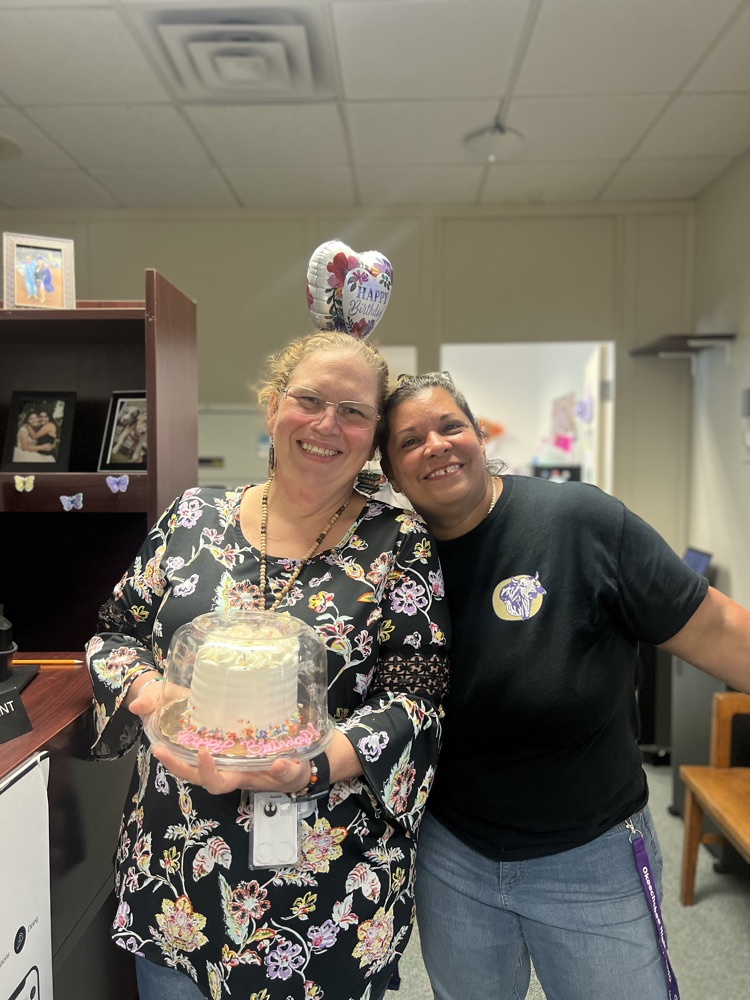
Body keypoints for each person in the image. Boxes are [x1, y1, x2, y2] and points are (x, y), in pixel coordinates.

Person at [85, 332, 451, 1000]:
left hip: (328, 892)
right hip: (178, 872)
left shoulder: (398, 544)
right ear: (273, 405)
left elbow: (418, 697)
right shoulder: (192, 517)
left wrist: (311, 764)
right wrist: (152, 696)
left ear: (373, 438)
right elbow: (116, 635)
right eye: (309, 400)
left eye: (353, 412)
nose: (326, 425)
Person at [379, 371, 750, 1000]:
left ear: (478, 436)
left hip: (592, 855)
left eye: (450, 427)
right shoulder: (392, 561)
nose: (436, 446)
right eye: (410, 441)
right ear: (389, 473)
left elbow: (714, 624)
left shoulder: (579, 522)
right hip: (453, 855)